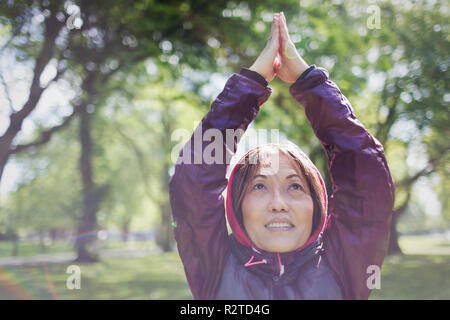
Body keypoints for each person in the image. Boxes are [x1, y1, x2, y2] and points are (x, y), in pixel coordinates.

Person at [169, 12, 395, 300]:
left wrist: (310, 82)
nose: (278, 204)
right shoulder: (214, 267)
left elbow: (366, 177)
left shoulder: (344, 265)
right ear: (236, 205)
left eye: (295, 186)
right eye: (259, 186)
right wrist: (250, 84)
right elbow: (194, 182)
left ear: (316, 204)